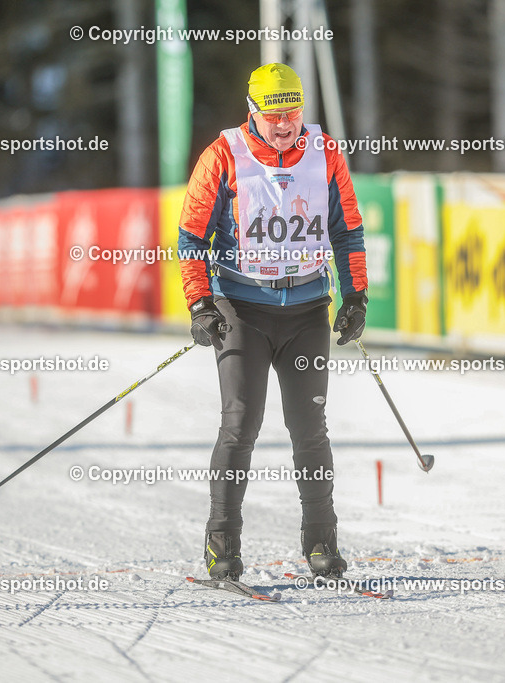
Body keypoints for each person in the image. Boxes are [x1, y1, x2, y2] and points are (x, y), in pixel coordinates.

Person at [177, 63, 368, 580]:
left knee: (310, 429)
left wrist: (355, 298)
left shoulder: (325, 154)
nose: (284, 124)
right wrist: (201, 304)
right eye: (273, 114)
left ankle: (322, 545)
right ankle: (222, 545)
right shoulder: (223, 156)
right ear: (253, 111)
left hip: (307, 311)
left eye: (292, 112)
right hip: (244, 311)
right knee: (240, 425)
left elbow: (348, 231)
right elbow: (192, 238)